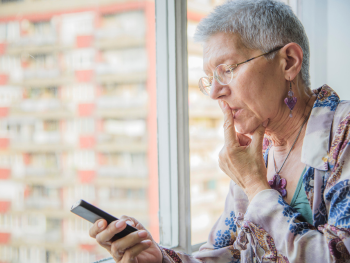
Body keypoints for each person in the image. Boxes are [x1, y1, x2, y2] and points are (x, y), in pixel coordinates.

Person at [89, 0, 350, 262]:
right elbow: (226, 255)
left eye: (227, 69)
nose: (215, 92)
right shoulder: (256, 152)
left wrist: (255, 186)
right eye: (210, 78)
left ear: (289, 62)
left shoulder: (344, 132)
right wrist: (158, 258)